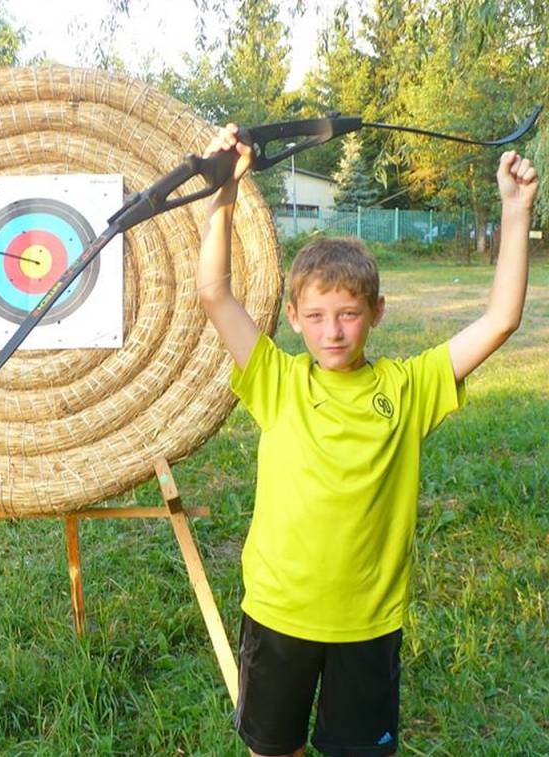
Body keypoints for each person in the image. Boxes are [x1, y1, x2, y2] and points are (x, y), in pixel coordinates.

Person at [197, 124, 538, 757]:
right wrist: (224, 195)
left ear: (377, 311)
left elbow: (501, 320)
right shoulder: (277, 380)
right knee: (273, 748)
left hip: (368, 624)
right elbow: (215, 293)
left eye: (349, 314)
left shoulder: (409, 388)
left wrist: (515, 214)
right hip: (278, 613)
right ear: (293, 319)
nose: (333, 331)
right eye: (316, 316)